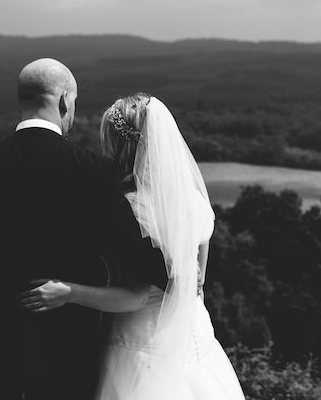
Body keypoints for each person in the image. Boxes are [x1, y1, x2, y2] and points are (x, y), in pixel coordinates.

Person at [0, 59, 167, 400]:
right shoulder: (94, 171)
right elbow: (145, 263)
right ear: (63, 101)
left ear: (22, 99)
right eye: (73, 103)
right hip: (66, 354)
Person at [18, 93, 246, 399]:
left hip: (142, 345)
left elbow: (136, 298)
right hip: (195, 340)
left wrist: (68, 292)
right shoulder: (194, 200)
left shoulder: (130, 210)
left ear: (120, 144)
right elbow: (197, 281)